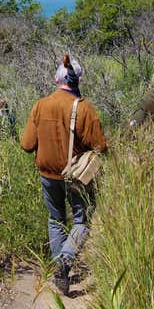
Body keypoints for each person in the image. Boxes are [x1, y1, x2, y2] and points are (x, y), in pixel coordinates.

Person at [20, 54, 107, 296]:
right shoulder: (85, 108)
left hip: (48, 175)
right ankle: (65, 261)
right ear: (78, 79)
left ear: (56, 79)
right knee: (82, 221)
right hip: (76, 178)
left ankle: (60, 269)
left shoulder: (40, 105)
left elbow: (27, 144)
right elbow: (100, 146)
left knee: (55, 219)